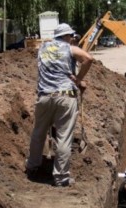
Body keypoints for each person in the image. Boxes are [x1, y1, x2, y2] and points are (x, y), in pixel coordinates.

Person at [25, 23, 94, 187]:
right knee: (63, 137)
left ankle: (32, 166)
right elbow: (88, 59)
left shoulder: (43, 48)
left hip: (44, 96)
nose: (72, 39)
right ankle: (61, 177)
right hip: (65, 97)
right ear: (66, 36)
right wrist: (78, 80)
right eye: (70, 36)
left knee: (38, 133)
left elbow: (55, 66)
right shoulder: (68, 48)